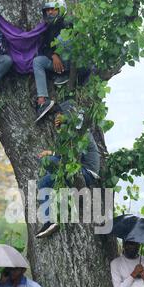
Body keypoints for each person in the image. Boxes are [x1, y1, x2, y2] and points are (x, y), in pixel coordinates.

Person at [36, 100, 101, 238]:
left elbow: (71, 157)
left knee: (46, 169)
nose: (57, 118)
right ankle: (52, 215)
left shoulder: (81, 132)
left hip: (86, 172)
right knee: (44, 173)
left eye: (60, 115)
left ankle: (54, 215)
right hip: (75, 169)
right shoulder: (68, 134)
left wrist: (52, 153)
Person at [33, 0, 72, 122]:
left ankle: (65, 75)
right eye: (47, 10)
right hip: (57, 64)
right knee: (38, 61)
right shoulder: (48, 28)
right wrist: (53, 56)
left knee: (62, 39)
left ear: (60, 9)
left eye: (53, 9)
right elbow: (44, 48)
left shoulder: (69, 24)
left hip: (72, 64)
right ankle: (42, 101)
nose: (49, 12)